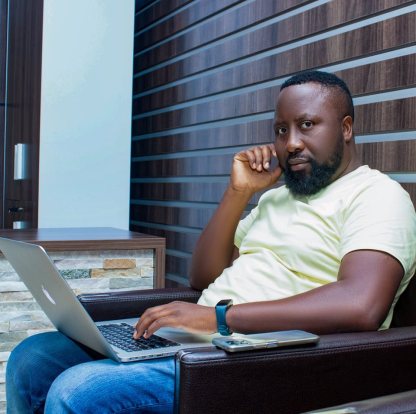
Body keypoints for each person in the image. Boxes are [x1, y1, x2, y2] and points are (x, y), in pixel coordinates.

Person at [6, 70, 416, 413]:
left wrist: (220, 319)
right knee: (32, 359)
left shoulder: (377, 195)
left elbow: (361, 305)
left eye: (307, 125)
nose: (290, 143)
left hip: (262, 360)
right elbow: (203, 275)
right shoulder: (276, 199)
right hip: (201, 342)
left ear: (346, 128)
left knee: (78, 391)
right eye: (281, 130)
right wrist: (238, 193)